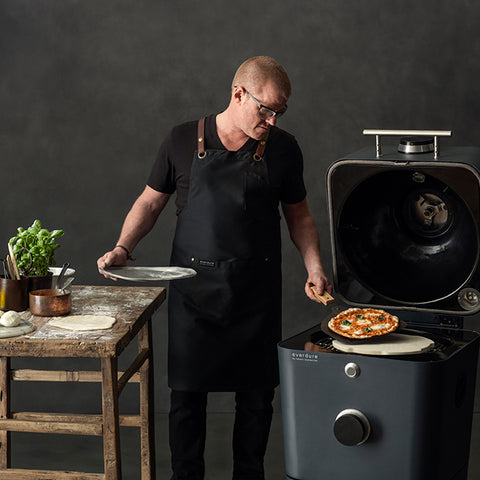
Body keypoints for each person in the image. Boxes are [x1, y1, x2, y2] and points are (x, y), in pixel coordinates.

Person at [97, 56, 332, 480]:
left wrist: (315, 268)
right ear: (238, 93)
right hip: (194, 294)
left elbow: (299, 216)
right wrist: (121, 247)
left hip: (255, 293)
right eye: (266, 109)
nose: (273, 121)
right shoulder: (182, 139)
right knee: (186, 401)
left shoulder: (283, 149)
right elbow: (150, 201)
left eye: (280, 111)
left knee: (257, 401)